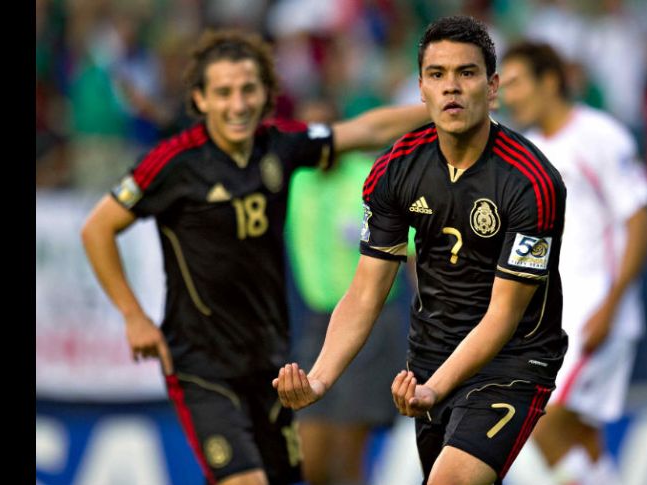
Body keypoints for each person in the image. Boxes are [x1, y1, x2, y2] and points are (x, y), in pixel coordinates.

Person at [80, 29, 429, 485]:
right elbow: (97, 228)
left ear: (266, 93)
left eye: (248, 90)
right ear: (201, 100)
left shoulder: (279, 145)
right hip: (203, 364)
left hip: (272, 360)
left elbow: (363, 130)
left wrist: (439, 109)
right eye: (223, 92)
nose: (237, 104)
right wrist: (133, 316)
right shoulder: (174, 163)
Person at [273, 16, 568, 485]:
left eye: (466, 73)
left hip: (511, 361)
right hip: (429, 359)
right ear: (421, 89)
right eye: (437, 75)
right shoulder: (394, 171)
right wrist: (320, 380)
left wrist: (436, 387)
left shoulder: (532, 181)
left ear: (492, 88)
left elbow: (503, 315)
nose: (451, 87)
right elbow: (366, 291)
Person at [499, 42, 647, 485]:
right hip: (559, 318)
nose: (509, 96)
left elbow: (642, 225)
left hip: (596, 313)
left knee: (535, 415)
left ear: (549, 81)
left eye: (516, 83)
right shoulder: (531, 152)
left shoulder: (600, 136)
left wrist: (610, 306)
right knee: (582, 438)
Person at [285, 99, 410, 485]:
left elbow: (413, 254)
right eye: (308, 135)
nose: (317, 143)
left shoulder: (371, 179)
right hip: (316, 324)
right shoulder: (293, 182)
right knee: (311, 461)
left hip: (369, 325)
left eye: (325, 133)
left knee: (345, 457)